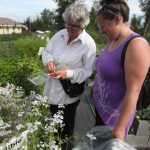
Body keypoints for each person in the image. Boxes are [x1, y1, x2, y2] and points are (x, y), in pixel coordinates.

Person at [92, 0, 150, 141]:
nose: (101, 30)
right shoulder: (113, 39)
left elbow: (133, 91)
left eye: (103, 25)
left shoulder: (136, 45)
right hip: (101, 111)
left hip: (114, 121)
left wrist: (120, 129)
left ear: (118, 19)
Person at [42, 3, 96, 149]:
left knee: (65, 131)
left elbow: (87, 71)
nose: (70, 29)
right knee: (53, 125)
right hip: (51, 88)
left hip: (68, 94)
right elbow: (46, 52)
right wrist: (49, 61)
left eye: (74, 27)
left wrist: (68, 73)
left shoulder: (88, 44)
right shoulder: (59, 34)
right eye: (68, 24)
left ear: (83, 26)